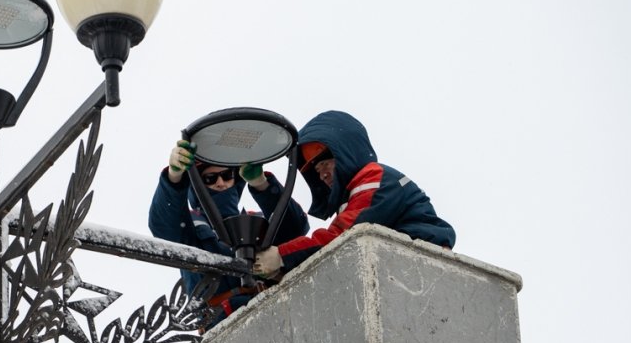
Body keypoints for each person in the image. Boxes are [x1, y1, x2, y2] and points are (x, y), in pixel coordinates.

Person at [253, 110, 455, 279]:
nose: (322, 175)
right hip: (405, 267)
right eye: (316, 170)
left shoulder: (373, 178)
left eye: (325, 164)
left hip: (423, 263)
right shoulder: (354, 194)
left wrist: (281, 255)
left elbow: (342, 238)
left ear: (344, 153)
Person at [149, 138, 309, 322]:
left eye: (227, 176)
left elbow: (295, 229)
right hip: (221, 322)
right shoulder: (191, 224)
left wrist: (261, 184)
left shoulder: (255, 219)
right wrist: (174, 178)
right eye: (210, 178)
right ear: (197, 185)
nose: (220, 183)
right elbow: (162, 225)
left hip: (274, 310)